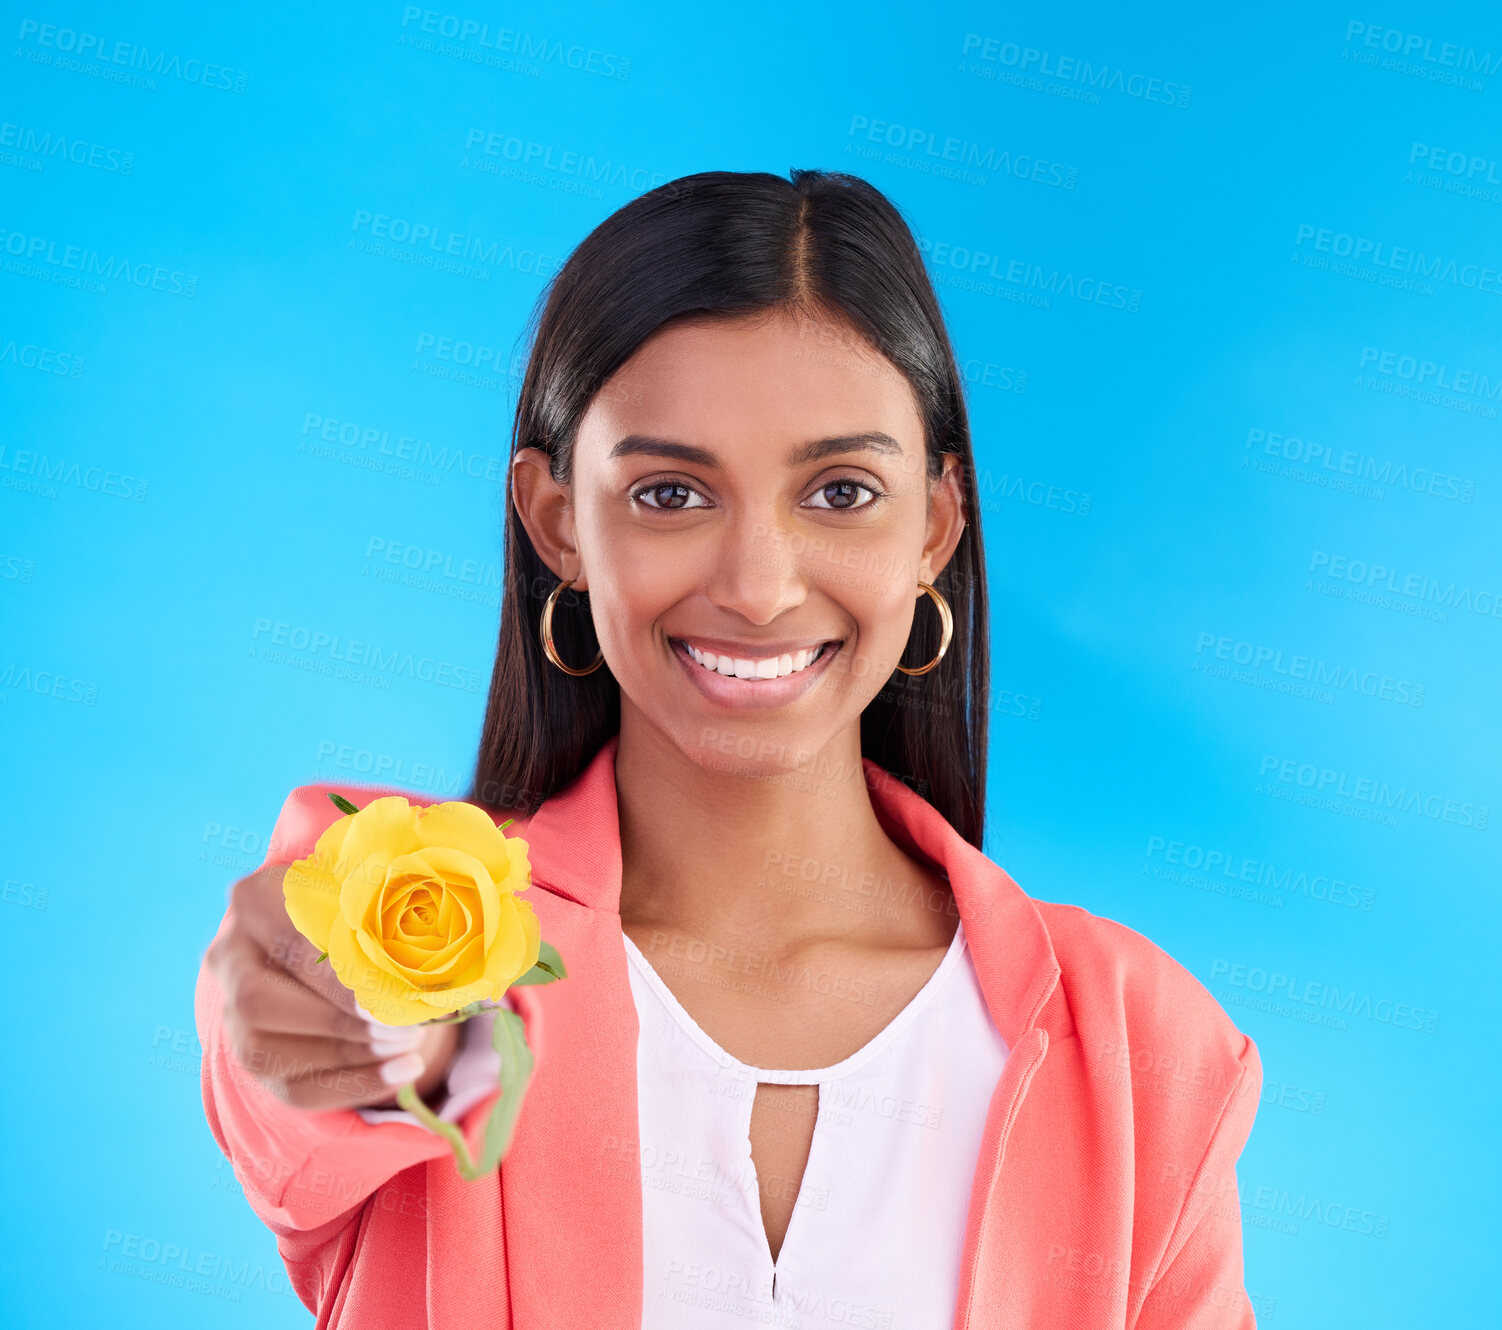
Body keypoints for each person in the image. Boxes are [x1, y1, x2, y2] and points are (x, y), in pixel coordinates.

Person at [197, 169, 1263, 1328]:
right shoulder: (436, 936)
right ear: (557, 523)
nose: (757, 587)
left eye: (841, 490)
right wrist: (347, 1013)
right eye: (668, 492)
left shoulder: (1136, 1045)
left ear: (935, 527)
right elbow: (327, 1072)